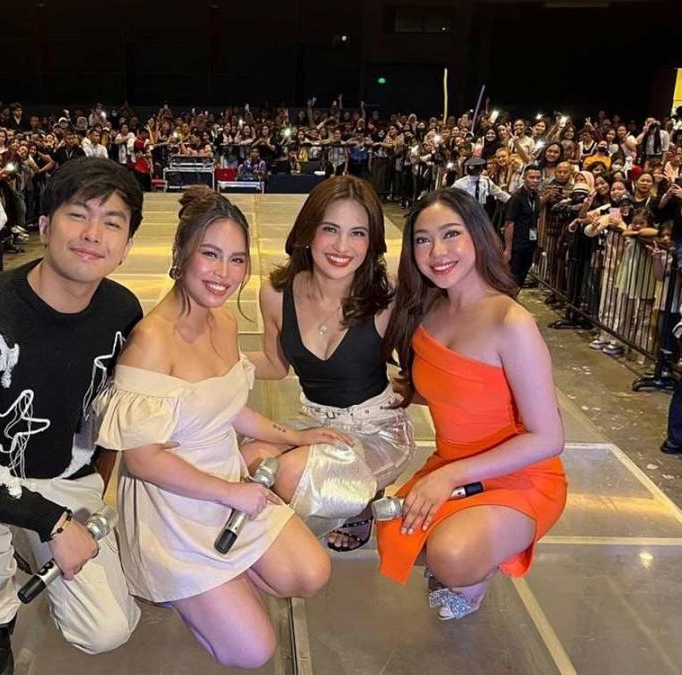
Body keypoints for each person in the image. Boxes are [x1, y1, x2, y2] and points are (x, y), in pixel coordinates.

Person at [0, 158, 147, 675]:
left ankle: (25, 544)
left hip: (67, 479)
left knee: (106, 630)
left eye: (112, 222)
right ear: (45, 226)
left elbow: (116, 412)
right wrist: (53, 522)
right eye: (77, 215)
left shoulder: (122, 312)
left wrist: (93, 490)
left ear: (126, 245)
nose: (93, 235)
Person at [95, 187, 332, 669]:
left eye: (236, 259)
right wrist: (231, 493)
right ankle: (187, 591)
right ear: (181, 255)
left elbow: (228, 407)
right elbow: (142, 460)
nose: (224, 273)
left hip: (226, 481)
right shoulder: (151, 340)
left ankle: (225, 585)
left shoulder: (223, 323)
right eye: (210, 254)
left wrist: (295, 436)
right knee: (253, 650)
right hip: (172, 506)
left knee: (311, 573)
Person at [378, 187, 566, 621]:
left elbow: (549, 438)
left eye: (451, 234)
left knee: (452, 555)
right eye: (422, 240)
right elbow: (446, 388)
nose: (437, 252)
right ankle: (467, 548)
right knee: (390, 529)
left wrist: (449, 477)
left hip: (520, 476)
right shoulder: (425, 311)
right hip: (452, 466)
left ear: (478, 236)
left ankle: (476, 569)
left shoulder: (510, 322)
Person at [243, 175, 415, 551]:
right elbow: (274, 363)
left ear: (372, 242)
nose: (341, 246)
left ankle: (358, 502)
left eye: (358, 233)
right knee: (246, 459)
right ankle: (315, 518)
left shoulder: (387, 294)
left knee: (288, 475)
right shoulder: (276, 294)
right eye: (330, 229)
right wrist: (213, 364)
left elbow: (424, 364)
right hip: (315, 424)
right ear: (308, 231)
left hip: (376, 430)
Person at [503, 165, 543, 287]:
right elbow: (509, 223)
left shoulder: (535, 196)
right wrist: (508, 249)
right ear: (524, 178)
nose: (535, 180)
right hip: (517, 244)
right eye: (532, 177)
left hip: (529, 243)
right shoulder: (516, 198)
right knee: (513, 276)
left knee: (522, 276)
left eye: (538, 178)